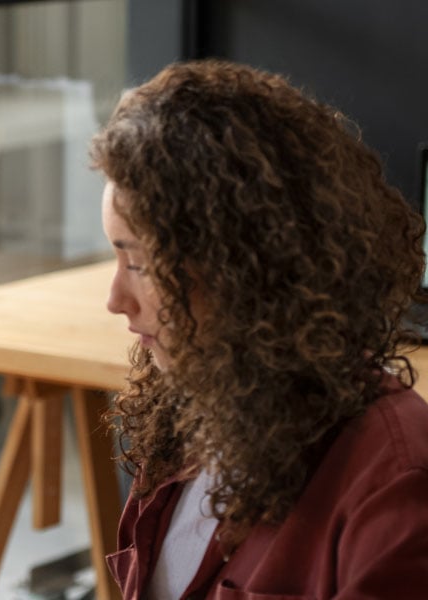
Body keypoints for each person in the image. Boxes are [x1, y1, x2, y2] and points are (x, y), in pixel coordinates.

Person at [91, 60, 428, 599]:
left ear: (244, 268)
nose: (115, 300)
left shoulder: (394, 483)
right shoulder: (192, 410)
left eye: (141, 265)